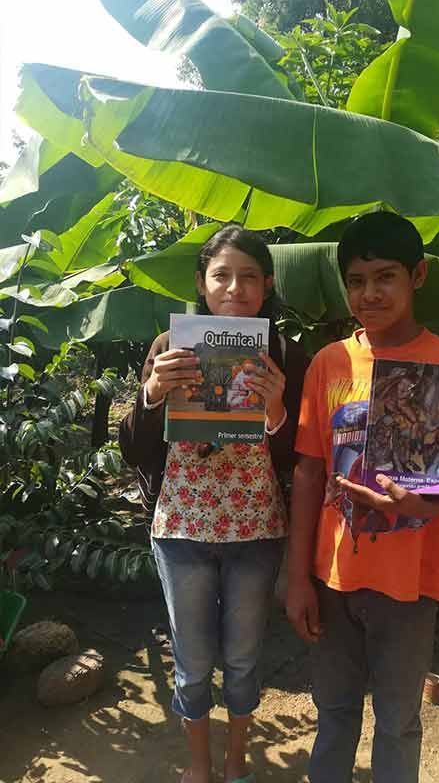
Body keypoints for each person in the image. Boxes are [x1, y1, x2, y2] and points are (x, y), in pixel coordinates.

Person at [286, 212, 439, 783]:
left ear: (417, 276)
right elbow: (309, 473)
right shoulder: (329, 364)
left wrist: (432, 507)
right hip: (332, 576)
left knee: (398, 721)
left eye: (385, 277)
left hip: (410, 583)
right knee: (334, 713)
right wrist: (295, 576)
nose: (370, 293)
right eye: (357, 280)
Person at [120, 225, 309, 783]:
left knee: (245, 660)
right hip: (181, 529)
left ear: (267, 284)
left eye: (249, 276)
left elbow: (300, 454)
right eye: (221, 275)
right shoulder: (167, 348)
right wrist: (152, 393)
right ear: (202, 285)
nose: (235, 287)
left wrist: (276, 409)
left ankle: (236, 766)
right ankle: (199, 770)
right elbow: (134, 446)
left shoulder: (281, 353)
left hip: (255, 531)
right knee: (194, 663)